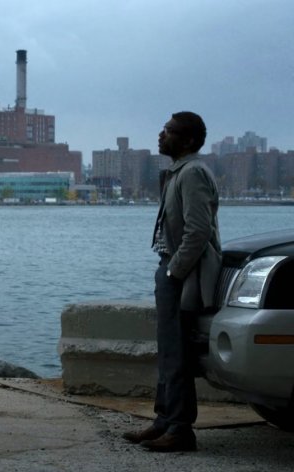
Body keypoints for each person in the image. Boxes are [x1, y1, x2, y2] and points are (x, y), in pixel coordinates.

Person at [123, 111, 221, 452]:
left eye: (169, 131)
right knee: (168, 350)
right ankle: (165, 420)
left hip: (182, 275)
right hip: (172, 270)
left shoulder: (192, 173)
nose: (161, 136)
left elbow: (199, 231)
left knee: (177, 351)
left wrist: (173, 272)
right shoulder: (180, 172)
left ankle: (180, 429)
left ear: (189, 140)